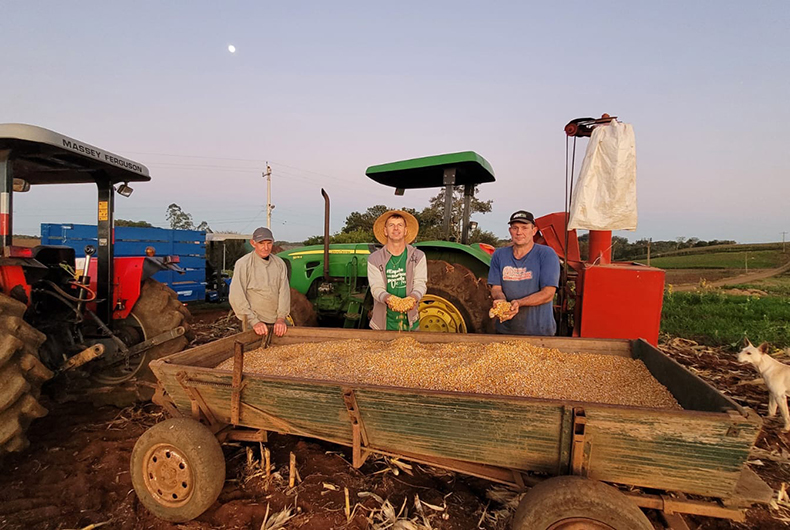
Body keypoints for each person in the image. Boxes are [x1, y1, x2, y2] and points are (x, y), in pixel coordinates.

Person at [487, 210, 560, 336]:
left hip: (539, 332)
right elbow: (496, 288)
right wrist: (501, 300)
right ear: (510, 230)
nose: (519, 232)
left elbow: (548, 293)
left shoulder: (546, 254)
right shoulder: (499, 255)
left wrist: (519, 303)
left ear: (534, 230)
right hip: (506, 331)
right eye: (515, 228)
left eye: (524, 228)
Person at [367, 210, 427, 331]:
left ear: (405, 231)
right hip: (383, 324)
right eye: (391, 225)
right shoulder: (374, 259)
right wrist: (389, 299)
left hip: (411, 323)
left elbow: (420, 283)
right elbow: (376, 287)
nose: (396, 228)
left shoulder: (418, 256)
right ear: (385, 231)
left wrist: (412, 298)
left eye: (400, 225)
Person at [229, 227, 291, 337]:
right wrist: (254, 322)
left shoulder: (279, 264)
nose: (266, 248)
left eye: (269, 243)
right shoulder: (243, 264)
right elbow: (237, 296)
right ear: (253, 243)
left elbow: (284, 292)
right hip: (255, 323)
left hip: (277, 322)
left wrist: (281, 318)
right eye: (261, 243)